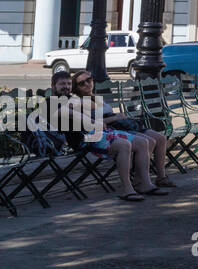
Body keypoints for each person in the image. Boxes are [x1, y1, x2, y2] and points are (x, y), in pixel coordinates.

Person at [61, 73, 169, 202]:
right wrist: (115, 118)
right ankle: (132, 187)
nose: (86, 84)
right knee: (130, 144)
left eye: (88, 80)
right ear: (76, 87)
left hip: (109, 129)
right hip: (94, 135)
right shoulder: (76, 101)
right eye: (81, 83)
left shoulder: (94, 98)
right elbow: (91, 122)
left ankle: (144, 182)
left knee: (148, 141)